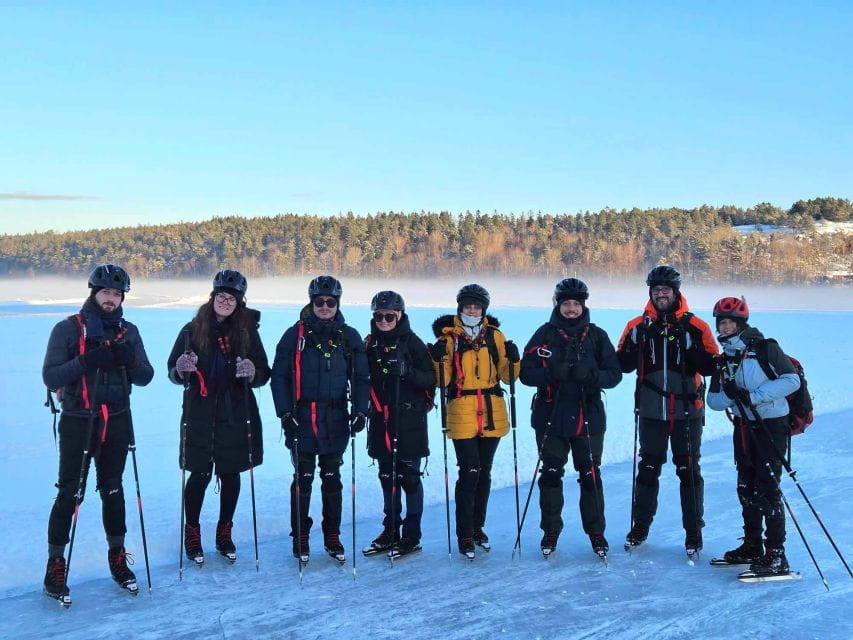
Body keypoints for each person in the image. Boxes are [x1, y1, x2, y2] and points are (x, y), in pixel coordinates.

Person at [41, 264, 154, 604]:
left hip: (117, 419)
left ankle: (117, 557)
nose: (111, 299)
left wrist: (128, 360)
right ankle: (55, 564)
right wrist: (90, 360)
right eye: (106, 292)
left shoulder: (129, 331)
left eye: (117, 294)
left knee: (114, 489)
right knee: (69, 493)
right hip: (78, 419)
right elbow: (51, 376)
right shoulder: (67, 329)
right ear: (94, 293)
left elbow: (146, 376)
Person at [166, 270, 270, 566]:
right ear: (212, 298)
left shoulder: (247, 332)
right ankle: (192, 532)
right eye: (221, 297)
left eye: (232, 299)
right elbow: (173, 371)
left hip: (236, 411)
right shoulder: (191, 330)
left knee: (231, 472)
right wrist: (181, 369)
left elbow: (264, 371)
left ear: (239, 303)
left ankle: (224, 533)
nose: (225, 302)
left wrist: (252, 371)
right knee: (198, 473)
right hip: (199, 411)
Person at [615, 265, 717, 555]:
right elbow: (622, 365)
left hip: (688, 411)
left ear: (675, 292)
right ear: (651, 293)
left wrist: (690, 348)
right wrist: (636, 343)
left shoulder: (696, 326)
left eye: (666, 290)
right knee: (647, 470)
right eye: (656, 290)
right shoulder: (637, 325)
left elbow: (712, 366)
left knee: (688, 471)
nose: (661, 294)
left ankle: (693, 532)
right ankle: (640, 528)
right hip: (650, 411)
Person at [519, 278, 622, 559]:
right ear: (558, 305)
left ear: (583, 305)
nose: (572, 309)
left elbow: (614, 374)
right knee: (551, 474)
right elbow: (525, 372)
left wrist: (591, 376)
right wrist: (551, 374)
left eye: (576, 303)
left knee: (590, 474)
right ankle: (550, 530)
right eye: (567, 303)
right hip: (550, 416)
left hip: (588, 417)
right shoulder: (544, 333)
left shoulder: (597, 336)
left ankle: (596, 531)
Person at [271, 276, 369, 564]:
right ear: (311, 303)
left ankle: (332, 534)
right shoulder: (295, 335)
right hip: (302, 416)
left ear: (338, 304)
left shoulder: (348, 336)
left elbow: (361, 377)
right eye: (319, 302)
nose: (325, 307)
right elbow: (279, 377)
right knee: (302, 478)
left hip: (336, 416)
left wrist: (361, 411)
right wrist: (284, 413)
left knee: (331, 478)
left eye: (330, 302)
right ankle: (300, 535)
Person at [706, 296, 800, 577]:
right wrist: (730, 397)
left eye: (729, 322)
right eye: (721, 322)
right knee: (745, 486)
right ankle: (752, 545)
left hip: (772, 426)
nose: (724, 328)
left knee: (768, 489)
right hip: (744, 427)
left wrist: (754, 398)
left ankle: (776, 554)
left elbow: (791, 380)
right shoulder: (724, 360)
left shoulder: (765, 348)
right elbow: (712, 400)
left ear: (741, 324)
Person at [431, 284, 520, 558]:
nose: (472, 310)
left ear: (484, 310)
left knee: (484, 473)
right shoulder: (450, 339)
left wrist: (515, 361)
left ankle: (478, 527)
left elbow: (508, 377)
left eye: (477, 307)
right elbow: (442, 381)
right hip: (461, 411)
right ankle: (464, 533)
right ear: (460, 308)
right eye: (468, 306)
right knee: (469, 472)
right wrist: (437, 361)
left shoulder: (495, 336)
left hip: (492, 411)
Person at [361, 291, 435, 559]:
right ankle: (390, 530)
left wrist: (407, 372)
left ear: (400, 315)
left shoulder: (413, 343)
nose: (384, 321)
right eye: (379, 316)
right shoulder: (369, 343)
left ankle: (412, 535)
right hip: (381, 419)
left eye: (389, 316)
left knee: (410, 478)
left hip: (410, 421)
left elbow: (431, 378)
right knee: (386, 477)